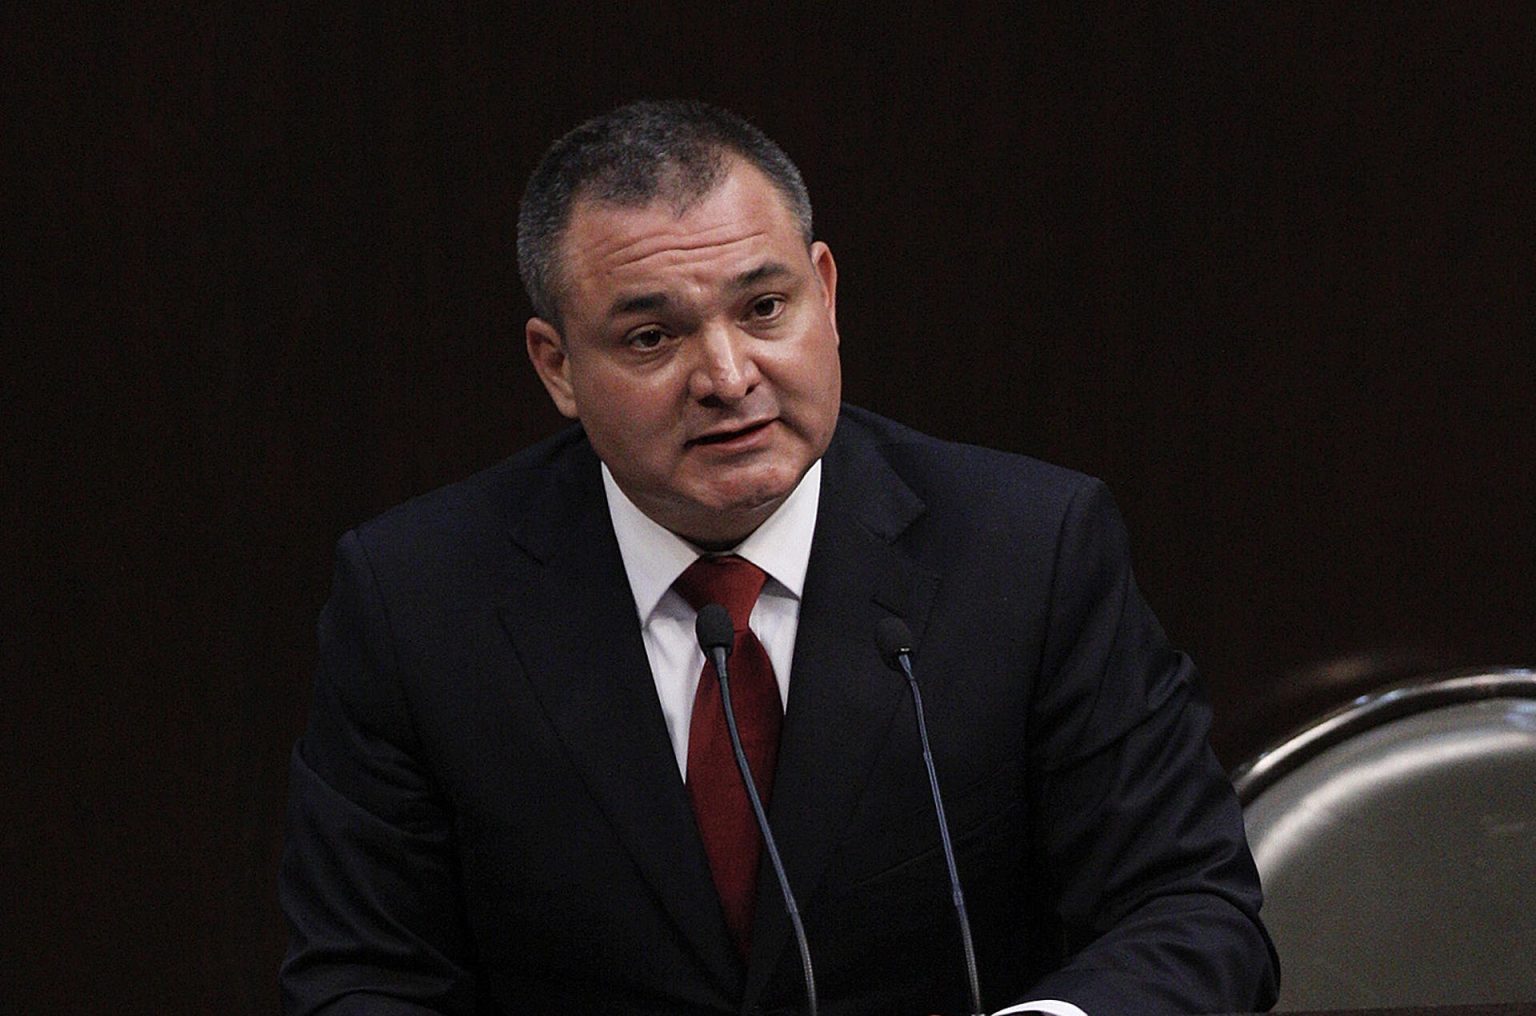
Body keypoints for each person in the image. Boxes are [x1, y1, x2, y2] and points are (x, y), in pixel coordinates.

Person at [280, 99, 1279, 1015]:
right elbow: (364, 974)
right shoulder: (419, 598)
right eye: (650, 335)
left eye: (764, 309)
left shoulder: (1031, 548)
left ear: (826, 293)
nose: (725, 376)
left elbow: (1190, 906)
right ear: (558, 366)